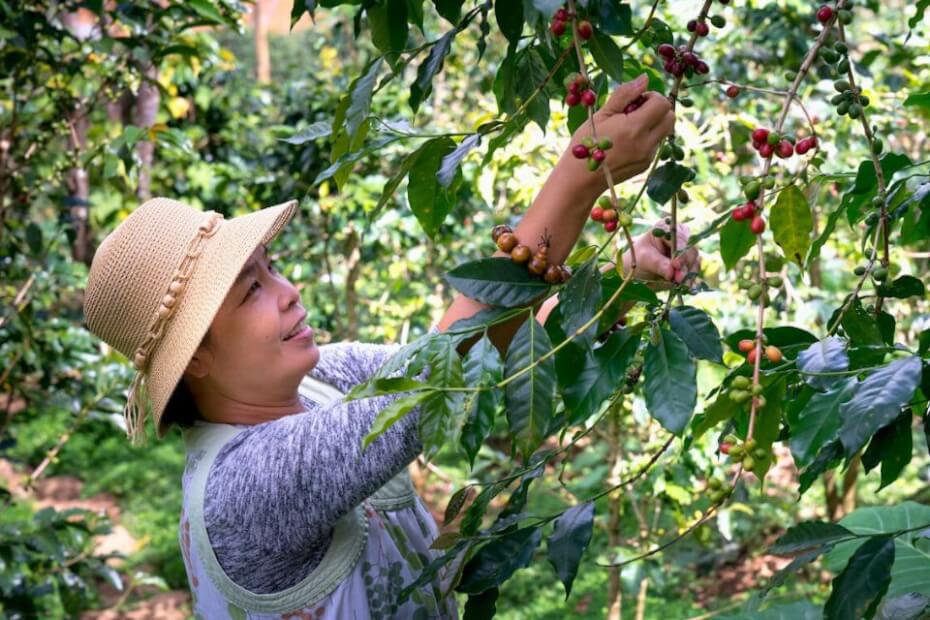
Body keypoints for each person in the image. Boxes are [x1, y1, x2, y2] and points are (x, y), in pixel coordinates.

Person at [82, 74, 699, 619]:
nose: (289, 292)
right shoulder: (243, 489)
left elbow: (472, 350)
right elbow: (434, 378)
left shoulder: (321, 380)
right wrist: (578, 175)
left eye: (271, 270)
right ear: (196, 359)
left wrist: (616, 276)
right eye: (250, 292)